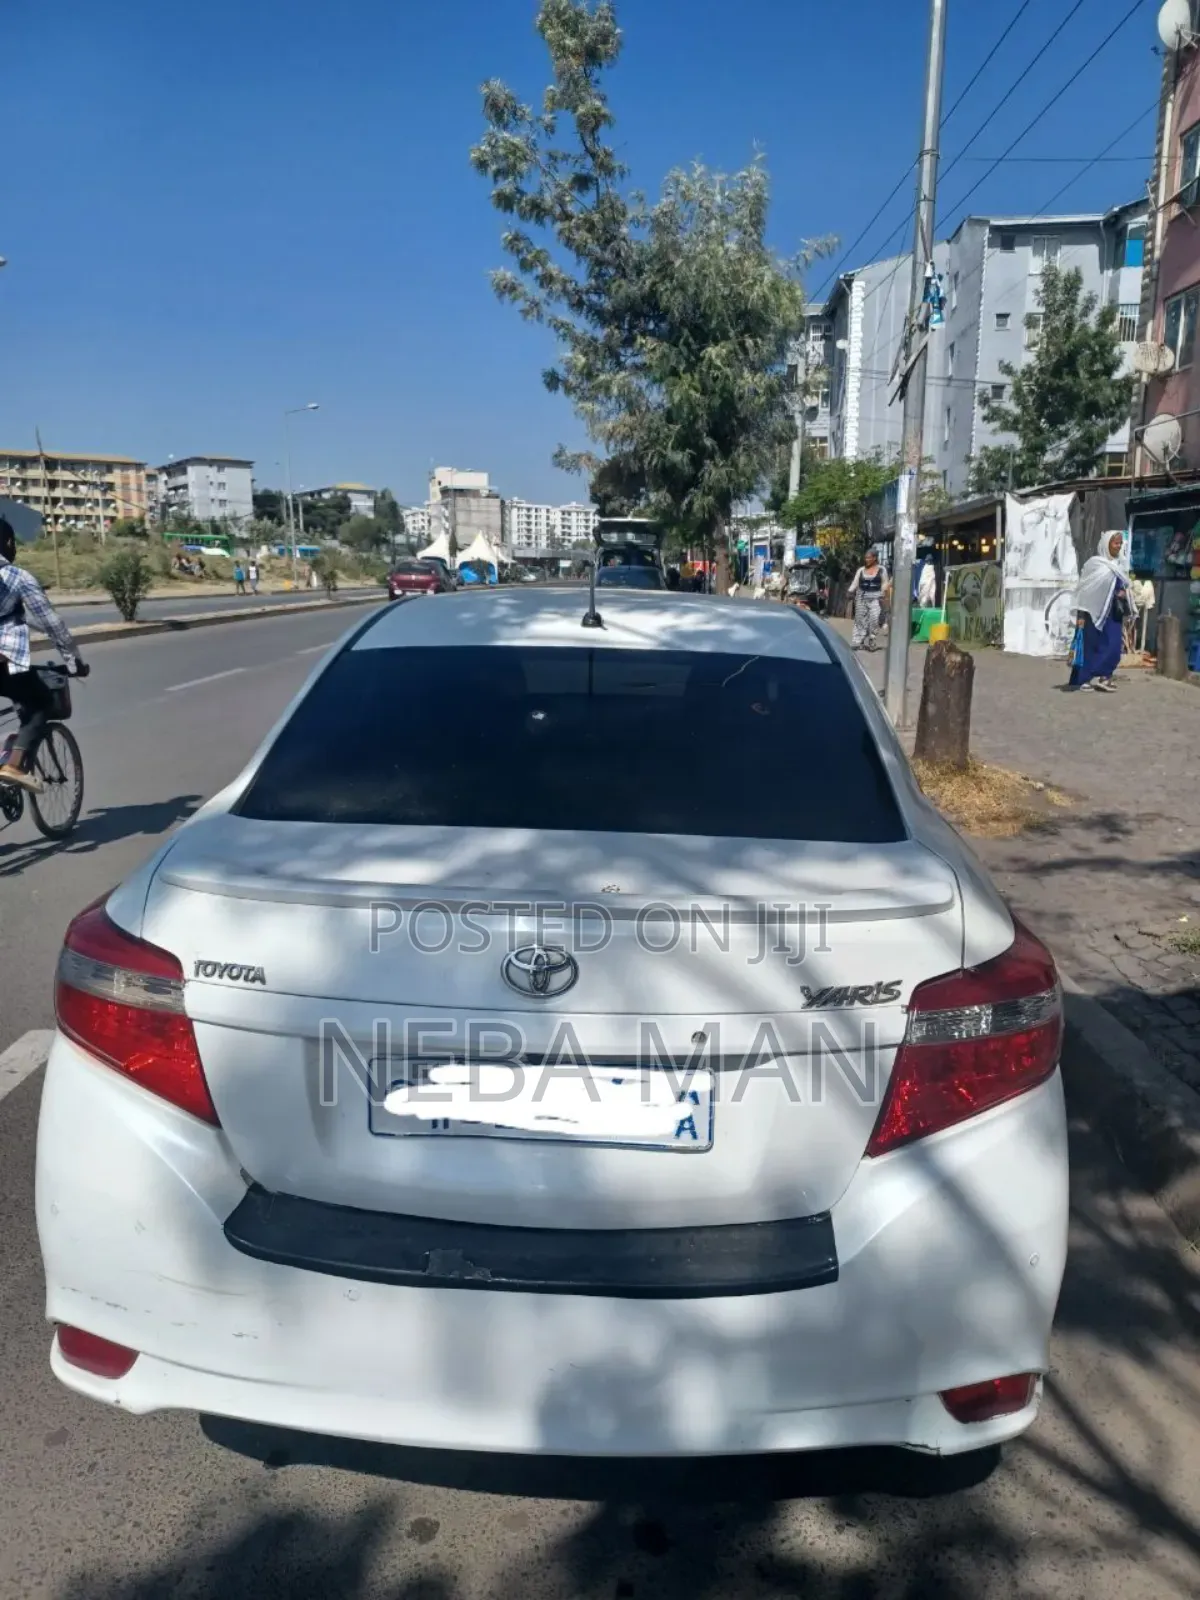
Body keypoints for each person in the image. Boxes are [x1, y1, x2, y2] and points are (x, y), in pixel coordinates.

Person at [0, 516, 89, 792]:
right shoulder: (16, 577)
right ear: (8, 543)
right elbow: (52, 624)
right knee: (39, 701)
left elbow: (27, 620)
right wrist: (74, 661)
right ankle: (14, 765)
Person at [1068, 532, 1136, 693]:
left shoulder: (1120, 564)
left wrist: (1123, 592)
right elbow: (1085, 588)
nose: (1118, 546)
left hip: (1113, 613)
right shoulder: (1094, 564)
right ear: (1106, 544)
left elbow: (1123, 584)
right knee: (1090, 645)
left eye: (1120, 543)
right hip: (1093, 612)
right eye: (1115, 543)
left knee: (1113, 646)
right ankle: (1084, 679)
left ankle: (1105, 677)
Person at [847, 549, 889, 651]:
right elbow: (855, 582)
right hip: (861, 597)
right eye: (866, 558)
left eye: (869, 558)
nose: (867, 559)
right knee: (860, 619)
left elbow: (885, 583)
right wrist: (850, 591)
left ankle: (872, 639)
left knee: (874, 618)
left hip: (876, 597)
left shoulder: (882, 570)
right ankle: (859, 641)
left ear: (874, 558)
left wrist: (883, 593)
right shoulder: (861, 570)